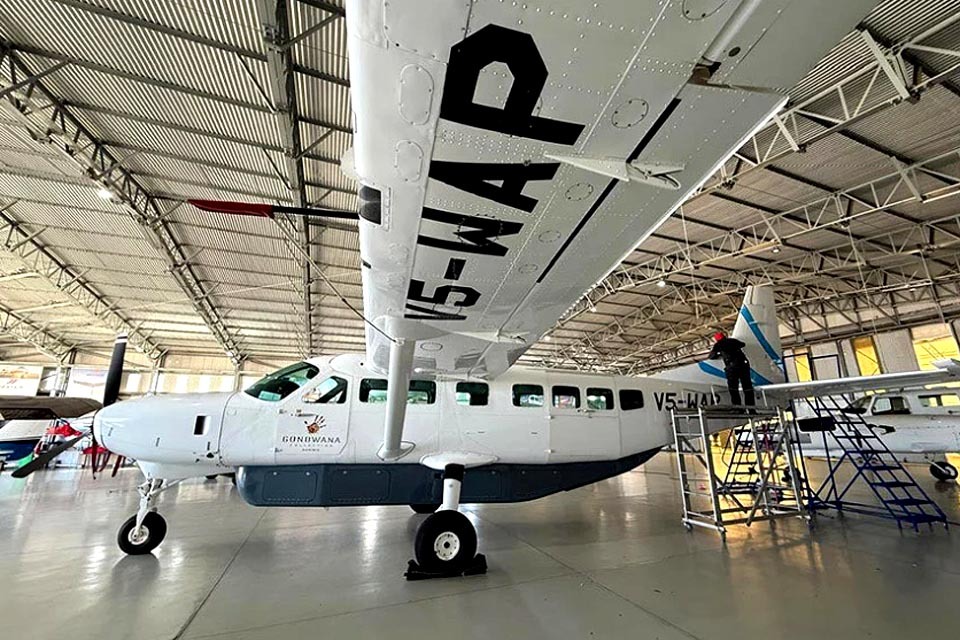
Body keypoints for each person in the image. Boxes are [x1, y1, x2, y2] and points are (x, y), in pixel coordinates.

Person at [707, 331, 755, 407]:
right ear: (724, 336)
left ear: (717, 339)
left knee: (733, 389)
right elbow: (743, 344)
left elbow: (711, 356)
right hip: (743, 365)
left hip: (732, 368)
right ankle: (751, 408)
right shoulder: (733, 340)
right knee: (747, 388)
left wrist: (720, 353)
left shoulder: (718, 345)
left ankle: (738, 408)